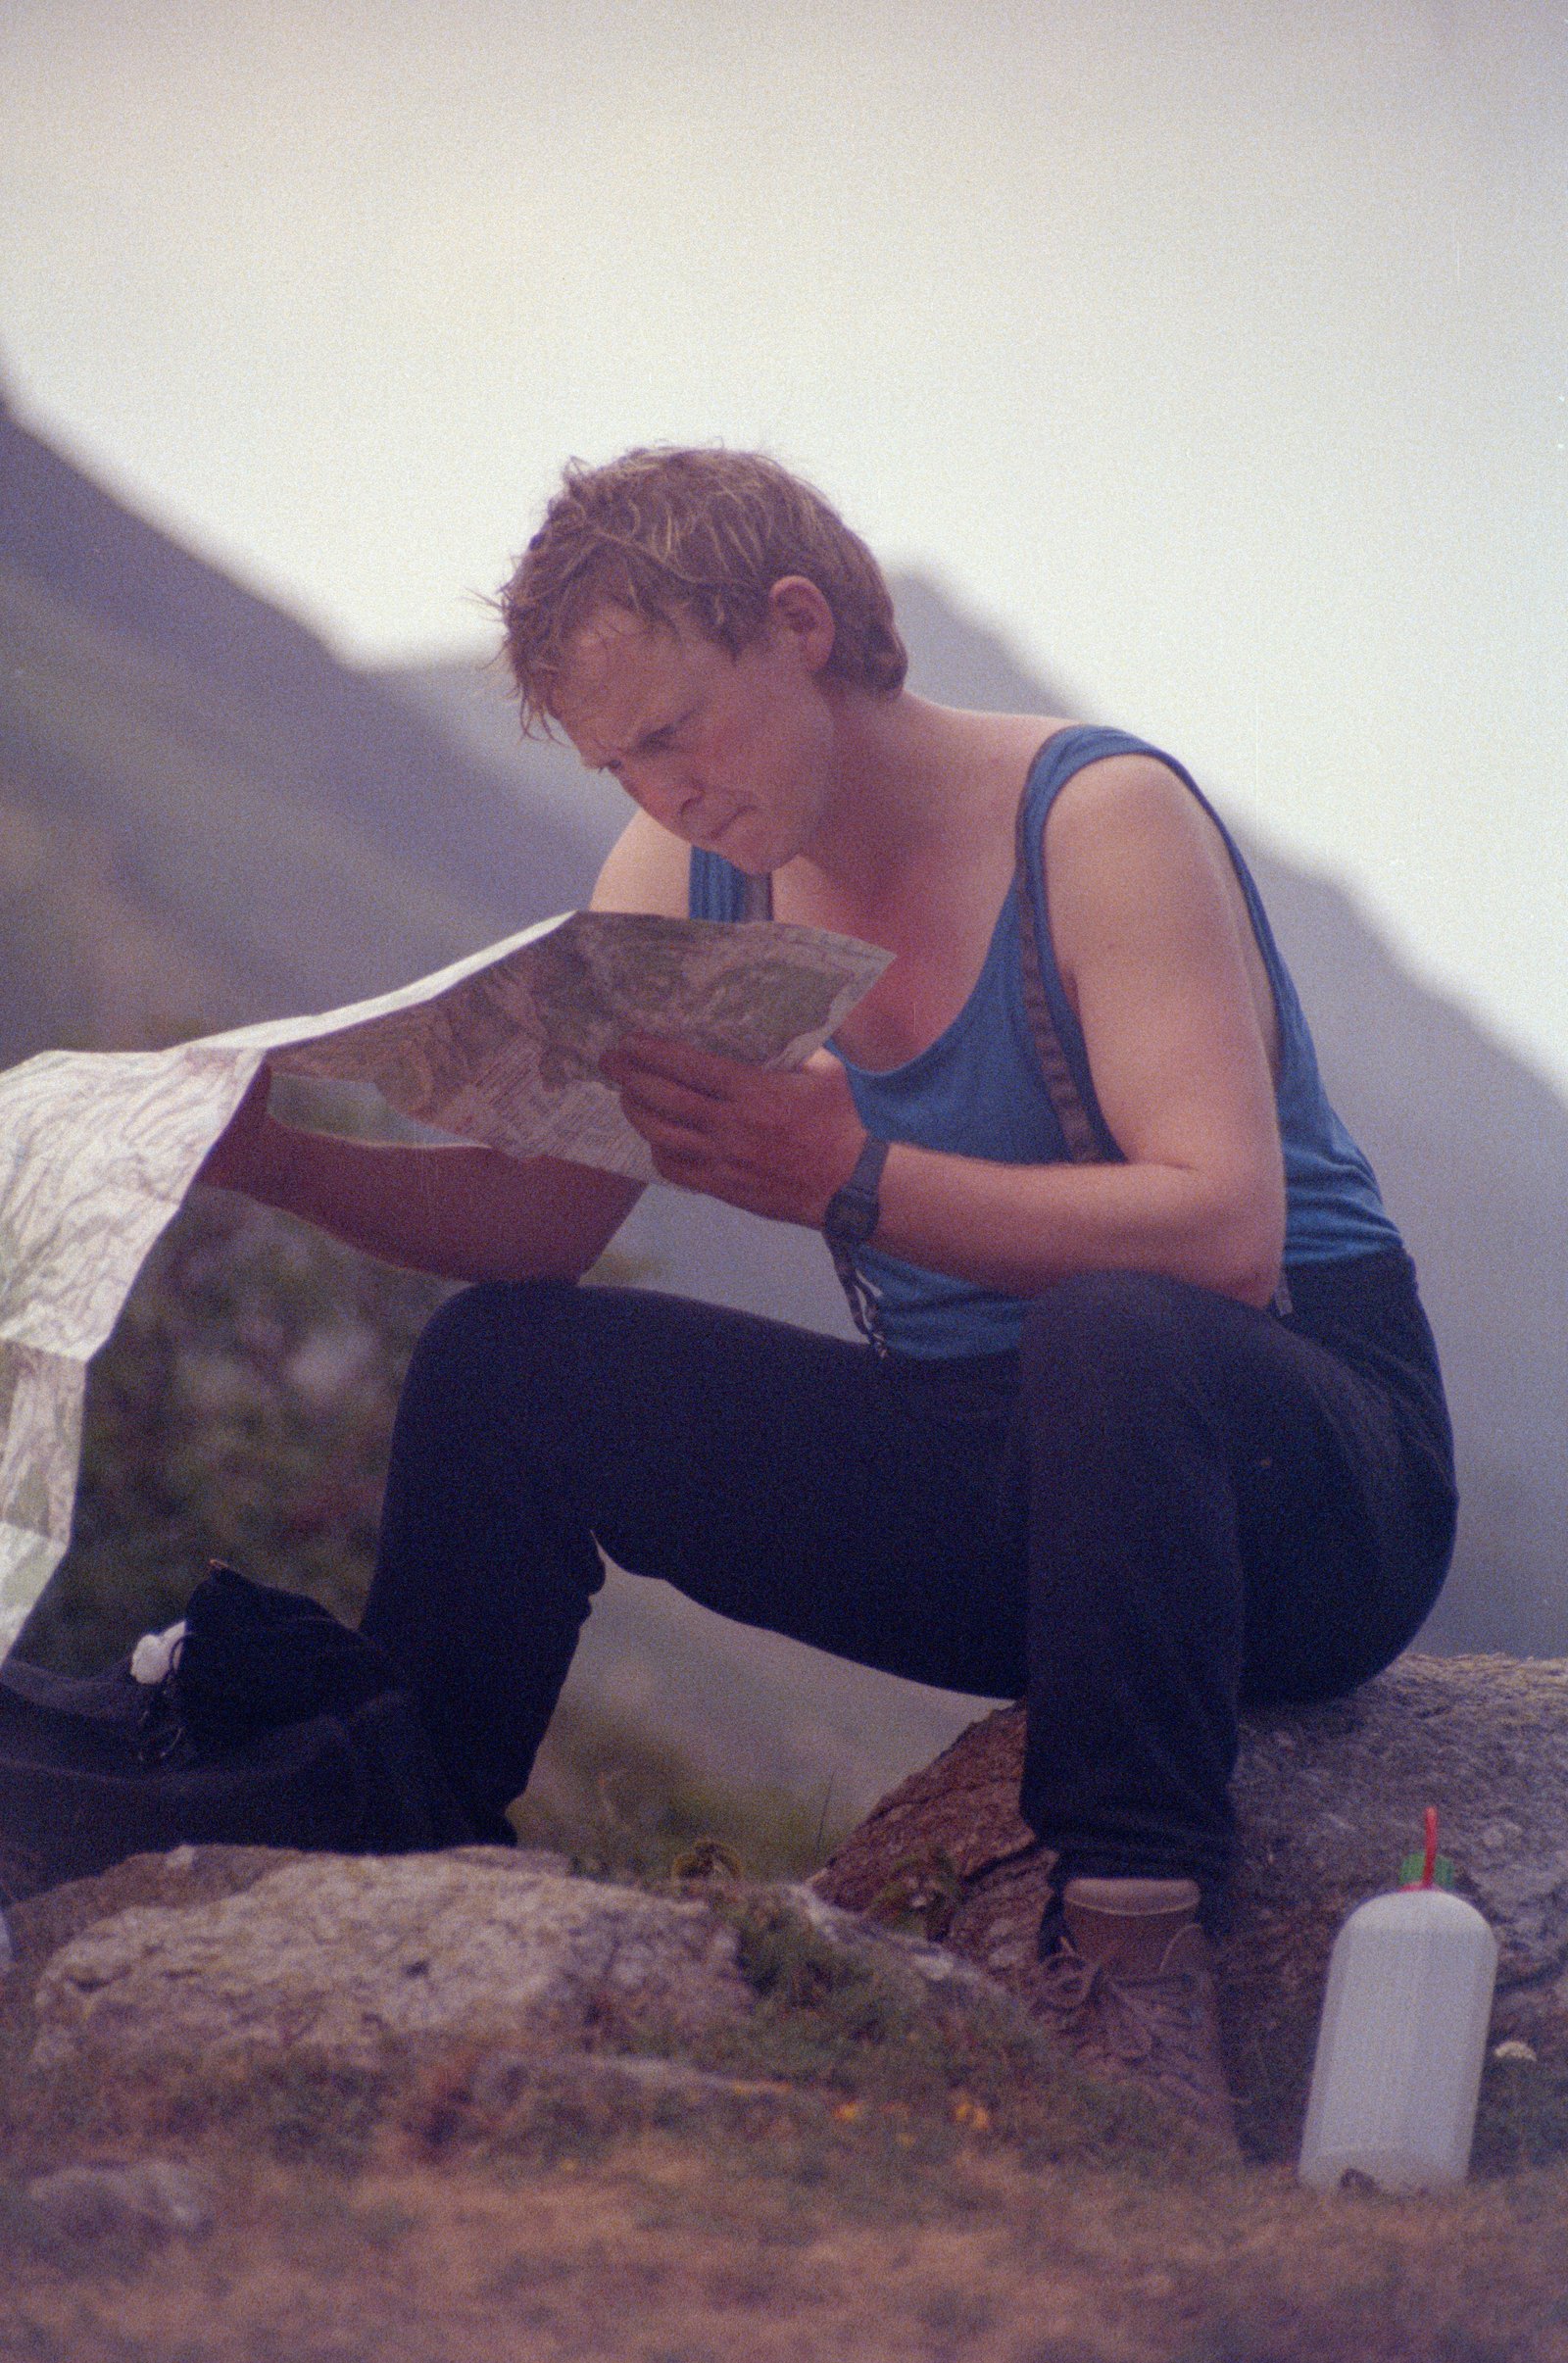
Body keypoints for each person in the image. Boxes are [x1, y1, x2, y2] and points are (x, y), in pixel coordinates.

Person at [202, 447, 1457, 2141]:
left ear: (799, 625)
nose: (663, 797)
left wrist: (852, 1177)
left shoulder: (1096, 821)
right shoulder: (688, 882)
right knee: (508, 1368)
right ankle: (395, 1873)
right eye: (619, 764)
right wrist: (269, 1155)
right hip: (1021, 1495)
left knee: (1114, 1329)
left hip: (1295, 1484)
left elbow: (1225, 1236)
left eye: (676, 732)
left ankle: (1134, 1965)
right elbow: (538, 1232)